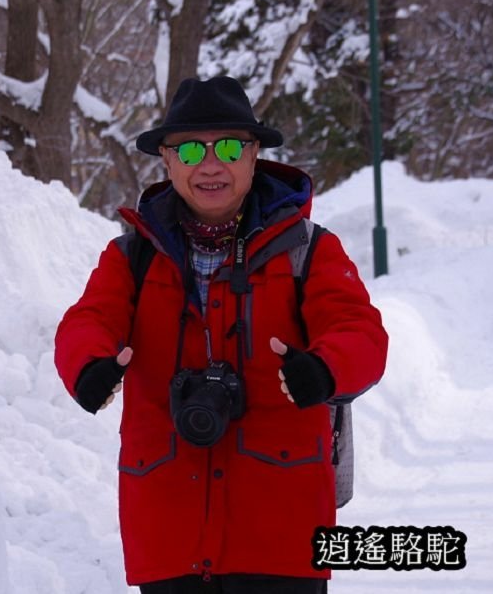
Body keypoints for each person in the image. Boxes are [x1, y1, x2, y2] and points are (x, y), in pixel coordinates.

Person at [54, 76, 388, 593]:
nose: (210, 164)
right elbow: (87, 321)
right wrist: (87, 365)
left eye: (229, 146)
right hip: (169, 532)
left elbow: (360, 331)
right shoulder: (131, 257)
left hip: (282, 535)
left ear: (254, 156)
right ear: (167, 160)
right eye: (189, 149)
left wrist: (324, 368)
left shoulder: (309, 250)